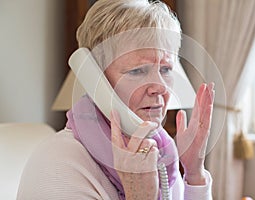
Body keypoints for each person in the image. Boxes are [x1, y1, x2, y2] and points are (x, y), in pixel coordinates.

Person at [17, 0, 214, 199]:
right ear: (96, 80)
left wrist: (194, 173)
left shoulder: (160, 152)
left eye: (165, 69)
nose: (160, 88)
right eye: (137, 71)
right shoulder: (57, 165)